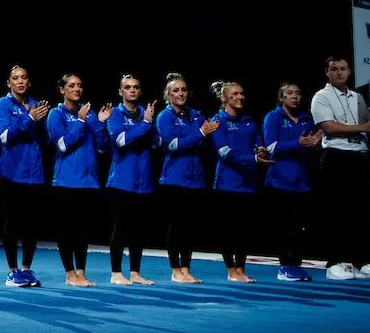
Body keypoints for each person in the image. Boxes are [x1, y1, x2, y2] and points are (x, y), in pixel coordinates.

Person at [310, 56, 370, 280]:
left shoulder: (358, 97)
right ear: (327, 72)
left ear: (350, 71)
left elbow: (367, 123)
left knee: (360, 212)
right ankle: (334, 263)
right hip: (336, 156)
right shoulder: (321, 97)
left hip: (359, 156)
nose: (339, 73)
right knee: (336, 213)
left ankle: (360, 262)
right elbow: (329, 127)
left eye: (343, 69)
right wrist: (363, 126)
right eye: (334, 69)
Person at [47, 73, 110, 287]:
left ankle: (81, 273)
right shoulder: (56, 114)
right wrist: (81, 121)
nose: (77, 89)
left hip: (89, 182)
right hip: (66, 181)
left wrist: (100, 124)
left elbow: (101, 148)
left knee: (83, 229)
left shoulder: (90, 114)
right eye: (72, 86)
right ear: (62, 90)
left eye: (80, 85)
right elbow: (63, 145)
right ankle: (69, 273)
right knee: (67, 228)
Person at [156, 72, 217, 284]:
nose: (181, 93)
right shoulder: (165, 116)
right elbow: (172, 145)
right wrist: (199, 134)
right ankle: (175, 270)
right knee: (176, 225)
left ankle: (186, 268)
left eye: (183, 90)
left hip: (196, 178)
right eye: (175, 91)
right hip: (174, 178)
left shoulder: (196, 115)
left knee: (189, 227)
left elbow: (205, 142)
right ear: (168, 95)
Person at [0, 65, 50, 288]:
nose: (20, 82)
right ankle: (12, 271)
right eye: (15, 78)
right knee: (13, 223)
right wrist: (29, 119)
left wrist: (42, 122)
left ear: (29, 81)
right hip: (12, 174)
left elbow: (45, 142)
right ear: (9, 83)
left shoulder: (36, 104)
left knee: (32, 224)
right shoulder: (3, 104)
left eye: (24, 78)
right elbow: (5, 137)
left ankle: (26, 269)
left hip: (35, 175)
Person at [208, 80, 271, 283]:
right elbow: (225, 153)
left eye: (242, 93)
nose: (239, 97)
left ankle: (241, 268)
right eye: (234, 94)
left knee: (244, 228)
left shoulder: (249, 121)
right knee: (228, 227)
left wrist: (260, 150)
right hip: (227, 182)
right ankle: (231, 269)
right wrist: (253, 158)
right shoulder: (218, 121)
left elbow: (258, 144)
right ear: (224, 98)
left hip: (249, 182)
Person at [263, 82, 321, 281]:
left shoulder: (306, 119)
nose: (294, 96)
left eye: (298, 93)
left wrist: (315, 144)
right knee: (284, 227)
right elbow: (270, 147)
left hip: (302, 182)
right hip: (280, 181)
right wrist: (297, 143)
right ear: (281, 98)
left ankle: (296, 264)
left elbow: (311, 145)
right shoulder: (273, 117)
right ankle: (285, 266)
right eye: (289, 93)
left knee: (300, 227)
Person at [105, 74, 159, 286]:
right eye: (128, 87)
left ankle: (135, 272)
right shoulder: (115, 115)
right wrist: (145, 124)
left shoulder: (145, 116)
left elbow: (156, 144)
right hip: (121, 181)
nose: (133, 90)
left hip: (143, 181)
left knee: (138, 229)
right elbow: (121, 141)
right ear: (121, 92)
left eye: (136, 87)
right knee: (121, 227)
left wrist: (150, 123)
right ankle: (116, 272)